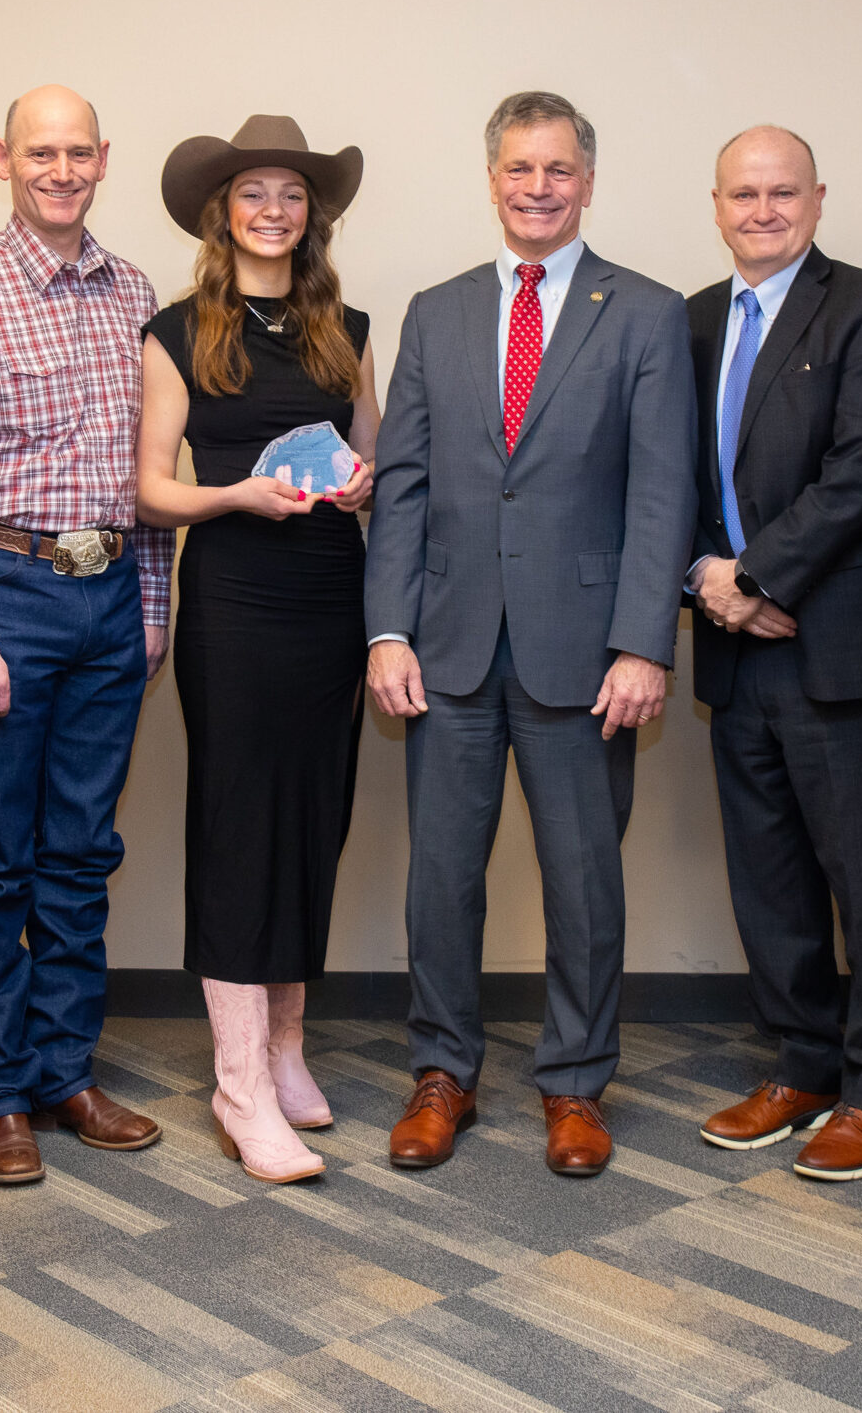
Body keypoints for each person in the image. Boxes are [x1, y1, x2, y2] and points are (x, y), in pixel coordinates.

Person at [365, 90, 696, 1178]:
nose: (538, 188)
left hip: (587, 652)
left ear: (587, 181)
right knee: (441, 881)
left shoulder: (642, 312)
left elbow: (661, 494)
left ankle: (573, 1085)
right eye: (519, 169)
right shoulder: (438, 309)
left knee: (583, 883)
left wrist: (645, 643)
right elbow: (403, 486)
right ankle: (442, 1075)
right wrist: (388, 630)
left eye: (558, 169)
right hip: (450, 646)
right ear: (493, 179)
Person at [0, 85, 171, 1185]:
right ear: (2, 158)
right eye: (38, 152)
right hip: (5, 595)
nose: (59, 170)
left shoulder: (138, 294)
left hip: (114, 602)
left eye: (77, 153)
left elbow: (148, 476)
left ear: (103, 160)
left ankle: (65, 1072)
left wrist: (149, 617)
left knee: (80, 852)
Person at [137, 115, 379, 1185]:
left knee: (312, 823)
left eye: (291, 195)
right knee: (241, 831)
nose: (273, 211)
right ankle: (238, 1084)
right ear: (219, 213)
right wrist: (233, 495)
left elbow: (376, 458)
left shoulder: (349, 328)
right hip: (236, 604)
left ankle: (285, 1049)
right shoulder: (178, 330)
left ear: (310, 214)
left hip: (331, 600)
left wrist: (364, 481)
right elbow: (147, 488)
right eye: (253, 194)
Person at [684, 127, 862, 1181]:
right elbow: (662, 476)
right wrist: (707, 583)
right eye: (744, 193)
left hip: (841, 647)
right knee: (768, 877)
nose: (763, 210)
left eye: (783, 192)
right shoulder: (689, 321)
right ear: (717, 204)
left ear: (818, 201)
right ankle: (804, 1063)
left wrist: (758, 577)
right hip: (738, 649)